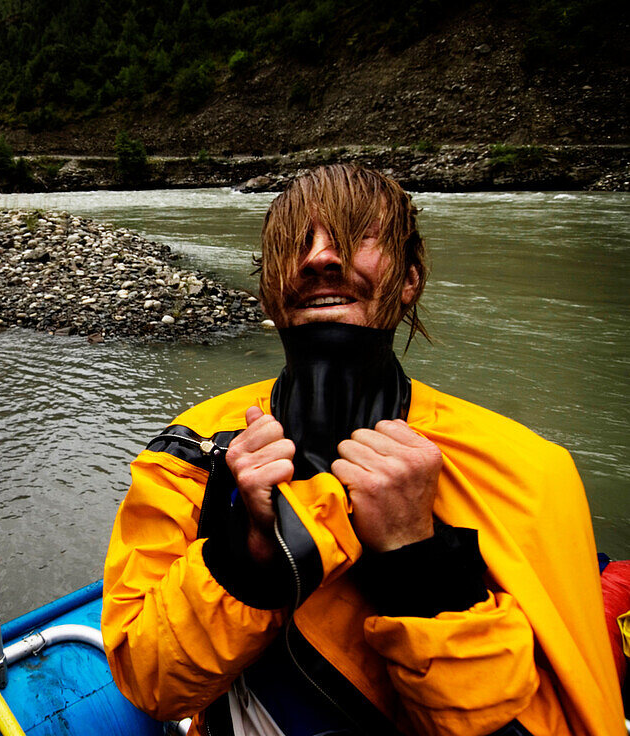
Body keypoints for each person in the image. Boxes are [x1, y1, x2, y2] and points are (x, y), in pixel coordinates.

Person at [102, 164, 622, 736]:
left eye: (353, 237)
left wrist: (418, 562)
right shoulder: (194, 453)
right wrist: (249, 555)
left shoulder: (526, 471)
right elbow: (150, 685)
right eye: (297, 244)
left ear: (410, 280)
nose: (320, 258)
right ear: (267, 291)